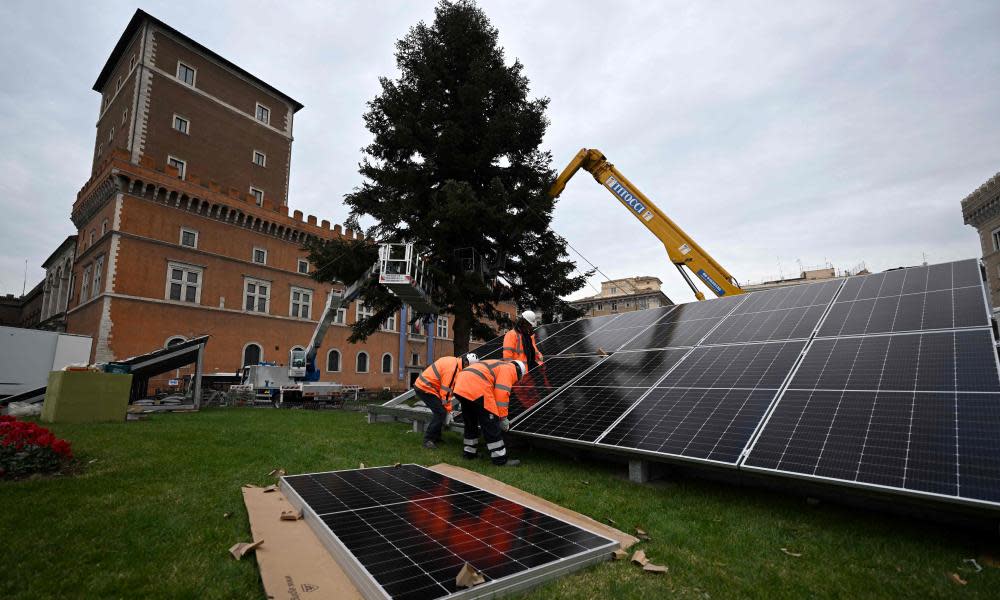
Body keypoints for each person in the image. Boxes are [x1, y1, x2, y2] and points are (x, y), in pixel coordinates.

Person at [451, 359, 526, 466]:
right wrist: (503, 417)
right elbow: (501, 393)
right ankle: (500, 460)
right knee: (491, 424)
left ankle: (469, 453)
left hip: (461, 385)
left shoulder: (499, 364)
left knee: (471, 422)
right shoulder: (510, 370)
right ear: (518, 372)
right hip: (477, 386)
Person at [413, 353, 478, 449]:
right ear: (466, 364)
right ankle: (428, 440)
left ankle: (436, 437)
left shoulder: (455, 363)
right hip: (425, 387)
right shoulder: (453, 370)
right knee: (440, 413)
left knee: (441, 412)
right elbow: (446, 392)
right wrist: (449, 411)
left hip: (426, 386)